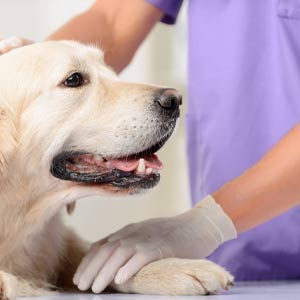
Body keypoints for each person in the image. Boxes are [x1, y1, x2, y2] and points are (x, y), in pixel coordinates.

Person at [2, 0, 300, 294]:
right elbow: (112, 18)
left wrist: (208, 223)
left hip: (233, 229)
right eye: (75, 80)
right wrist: (29, 65)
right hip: (241, 261)